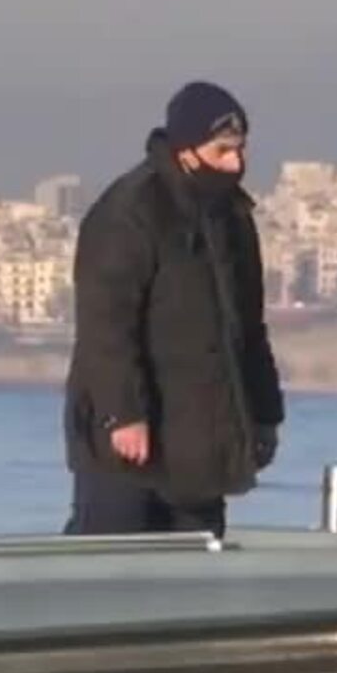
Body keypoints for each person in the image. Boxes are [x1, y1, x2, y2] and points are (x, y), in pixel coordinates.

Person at [62, 80, 283, 537]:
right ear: (185, 150)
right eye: (222, 151)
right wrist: (123, 414)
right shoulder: (129, 213)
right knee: (110, 568)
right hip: (125, 446)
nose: (236, 163)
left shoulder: (233, 219)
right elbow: (107, 326)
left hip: (202, 440)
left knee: (196, 575)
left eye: (240, 150)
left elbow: (248, 330)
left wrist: (263, 416)